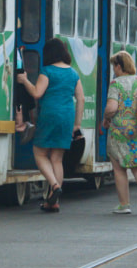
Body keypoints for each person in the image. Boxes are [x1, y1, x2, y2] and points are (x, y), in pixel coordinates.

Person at [16, 38, 85, 213]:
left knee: (39, 153)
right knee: (57, 159)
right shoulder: (73, 73)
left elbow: (37, 93)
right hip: (67, 116)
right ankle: (53, 202)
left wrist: (24, 80)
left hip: (50, 114)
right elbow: (81, 99)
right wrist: (77, 124)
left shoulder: (47, 71)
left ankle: (54, 185)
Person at [101, 51, 137, 215]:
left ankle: (124, 205)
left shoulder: (116, 84)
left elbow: (112, 108)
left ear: (119, 66)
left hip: (119, 131)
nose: (113, 69)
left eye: (114, 66)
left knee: (119, 168)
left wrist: (105, 117)